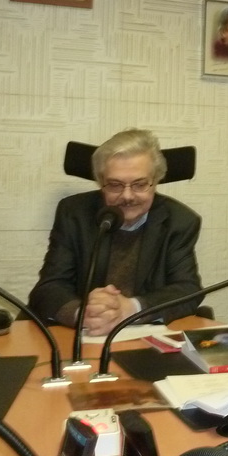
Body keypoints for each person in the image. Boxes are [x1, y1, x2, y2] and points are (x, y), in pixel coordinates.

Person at [29, 129, 204, 336]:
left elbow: (187, 289)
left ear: (155, 180)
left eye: (139, 184)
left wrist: (131, 308)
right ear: (100, 182)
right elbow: (49, 286)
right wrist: (82, 314)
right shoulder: (74, 213)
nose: (127, 196)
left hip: (145, 336)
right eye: (115, 185)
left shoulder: (180, 221)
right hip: (83, 336)